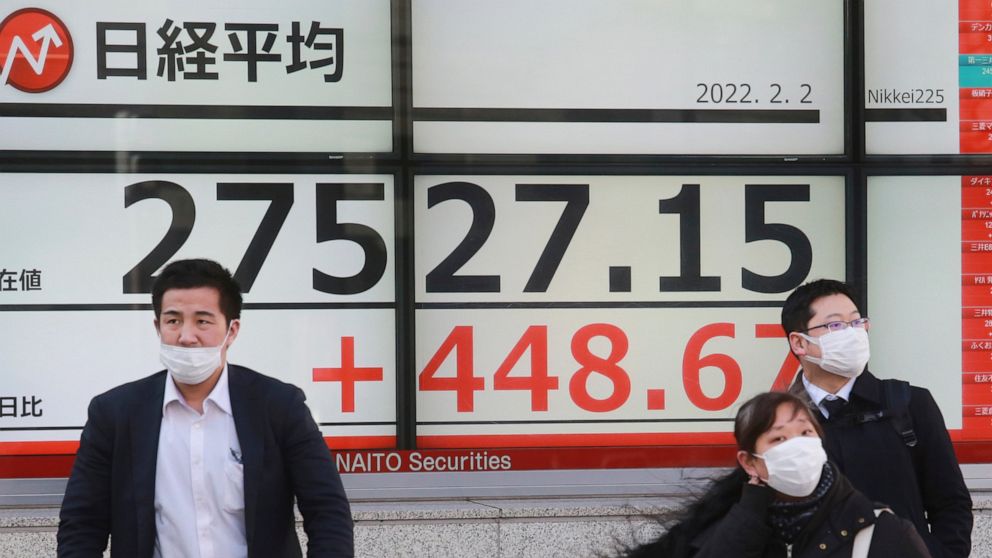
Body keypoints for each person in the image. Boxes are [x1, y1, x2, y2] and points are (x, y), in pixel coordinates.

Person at [57, 258, 353, 557]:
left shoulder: (278, 406)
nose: (186, 337)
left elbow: (327, 510)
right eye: (173, 321)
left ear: (232, 330)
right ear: (158, 327)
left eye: (203, 321)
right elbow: (82, 523)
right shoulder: (115, 414)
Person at [782, 278, 971, 558]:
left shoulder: (909, 403)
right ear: (799, 342)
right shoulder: (779, 422)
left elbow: (951, 502)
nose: (852, 333)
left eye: (857, 322)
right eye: (835, 325)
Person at [622, 391, 931, 558]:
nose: (797, 446)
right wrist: (750, 511)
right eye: (778, 438)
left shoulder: (881, 530)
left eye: (805, 432)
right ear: (750, 463)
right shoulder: (727, 533)